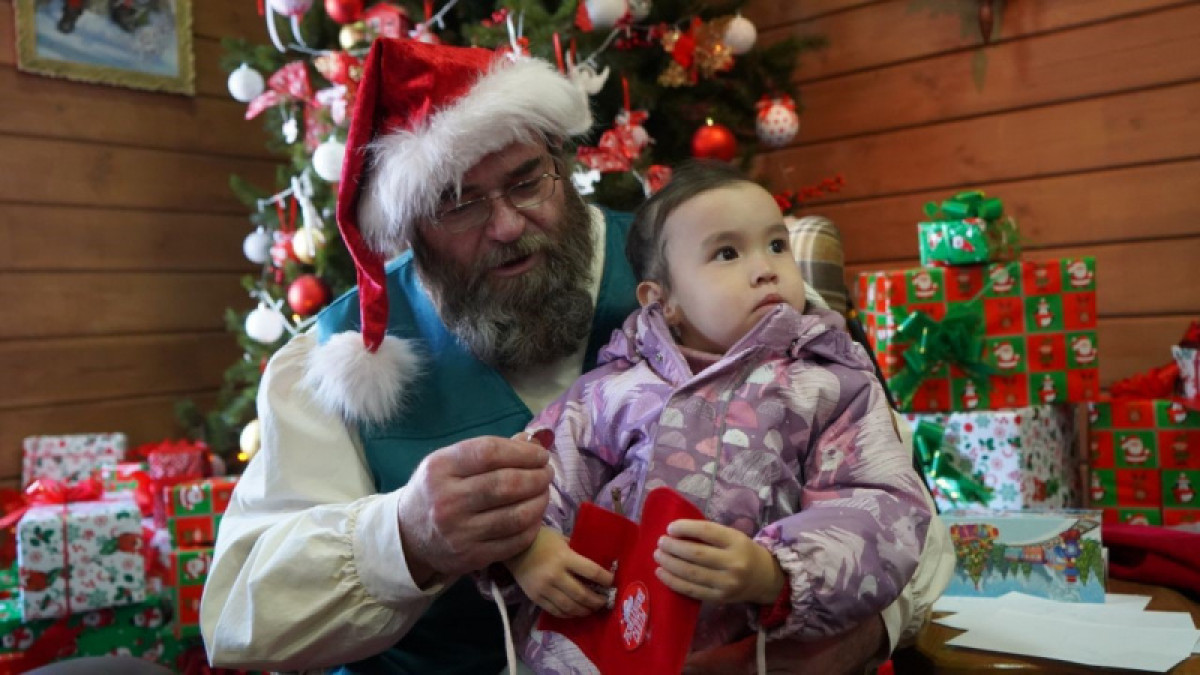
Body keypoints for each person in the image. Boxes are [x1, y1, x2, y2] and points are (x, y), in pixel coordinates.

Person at [200, 37, 954, 673]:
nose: (506, 225)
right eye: (459, 202)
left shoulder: (713, 269)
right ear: (409, 227)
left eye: (527, 180)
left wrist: (821, 641)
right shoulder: (331, 362)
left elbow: (913, 532)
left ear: (560, 161)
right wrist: (407, 537)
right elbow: (237, 617)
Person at [495, 161, 932, 673]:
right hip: (603, 648)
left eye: (776, 244)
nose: (767, 268)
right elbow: (532, 473)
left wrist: (775, 572)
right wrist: (531, 548)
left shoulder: (831, 383)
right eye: (727, 253)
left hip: (760, 651)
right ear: (665, 301)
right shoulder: (611, 392)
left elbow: (881, 505)